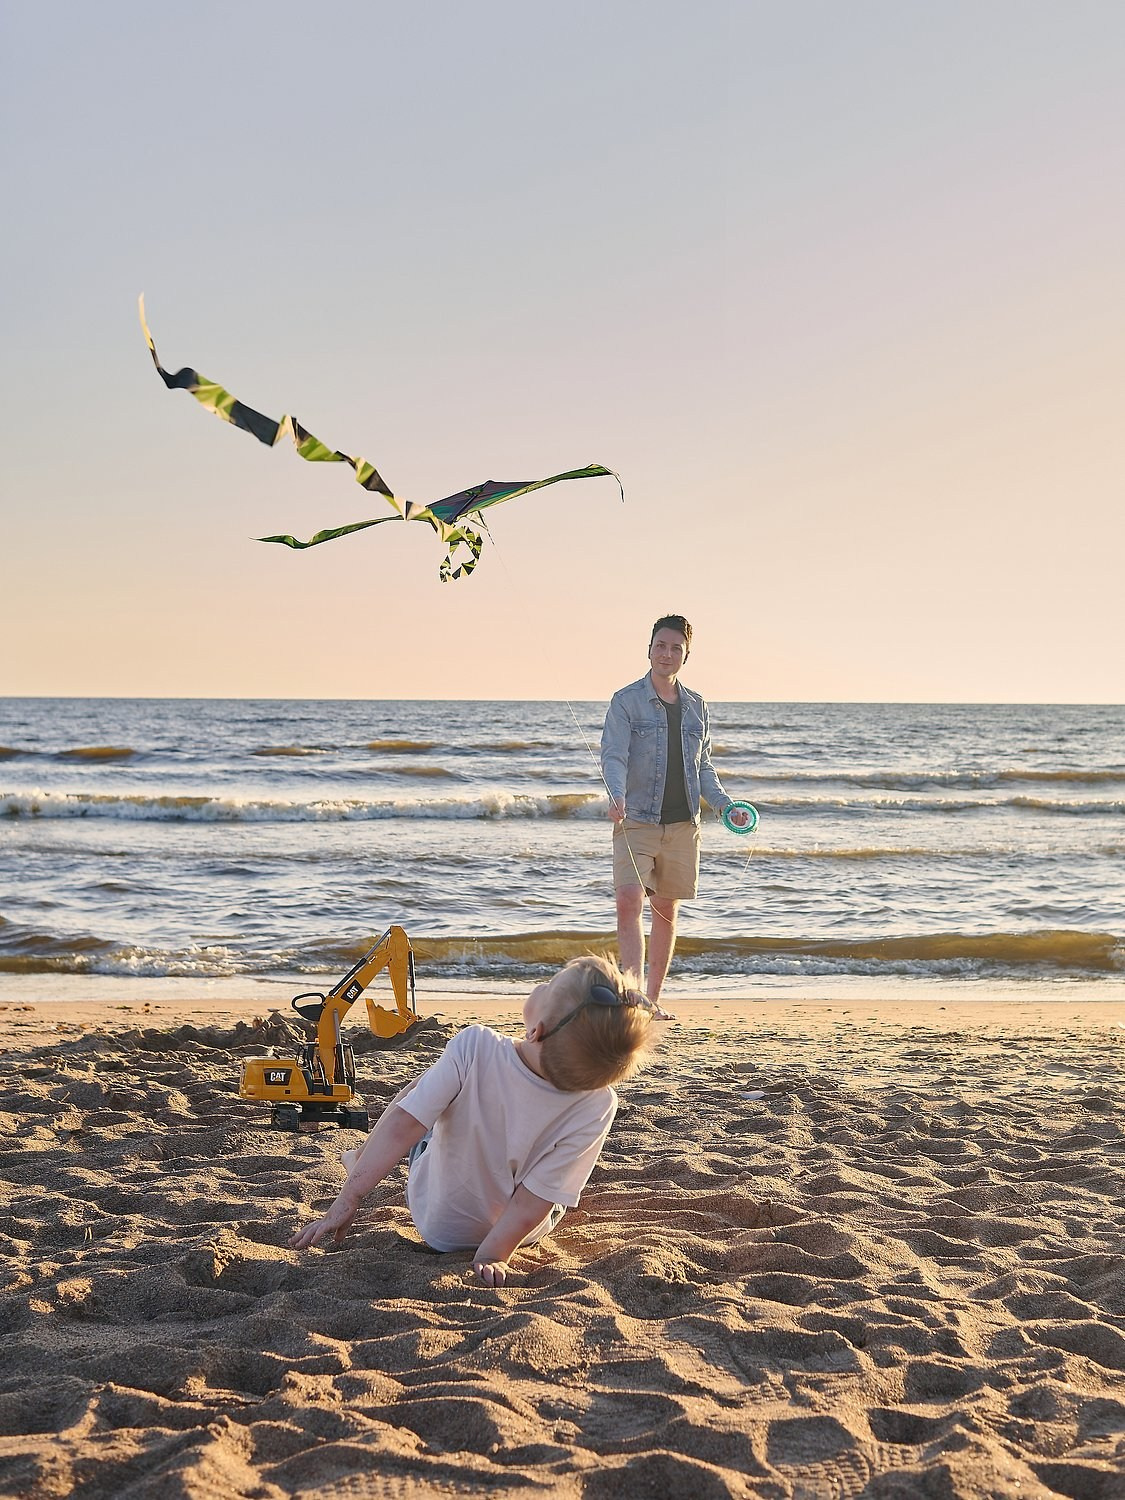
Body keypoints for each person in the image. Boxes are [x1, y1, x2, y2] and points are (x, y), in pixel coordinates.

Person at [288, 954, 669, 1286]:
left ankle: (359, 1159)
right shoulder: (598, 1104)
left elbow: (405, 1125)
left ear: (536, 1031)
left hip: (436, 1225)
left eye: (548, 984)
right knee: (553, 1185)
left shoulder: (476, 1046)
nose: (540, 984)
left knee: (419, 1092)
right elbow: (535, 1198)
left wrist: (348, 1199)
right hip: (520, 1232)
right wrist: (493, 1255)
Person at [600, 614, 744, 1002]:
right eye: (660, 645)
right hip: (636, 820)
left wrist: (725, 805)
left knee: (665, 910)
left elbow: (704, 767)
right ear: (649, 649)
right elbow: (613, 755)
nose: (667, 653)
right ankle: (631, 998)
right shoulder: (626, 701)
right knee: (629, 900)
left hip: (683, 825)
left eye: (675, 648)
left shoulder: (697, 706)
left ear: (686, 655)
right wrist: (616, 793)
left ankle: (653, 1000)